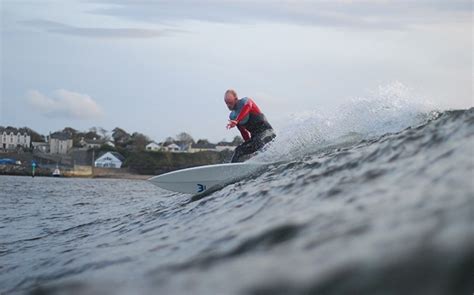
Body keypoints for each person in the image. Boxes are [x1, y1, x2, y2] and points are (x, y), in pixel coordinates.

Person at [224, 89, 276, 162]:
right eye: (226, 103)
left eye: (230, 102)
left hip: (267, 132)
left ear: (236, 99)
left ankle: (270, 160)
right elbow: (243, 132)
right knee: (238, 150)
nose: (228, 105)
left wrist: (237, 120)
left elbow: (247, 107)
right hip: (255, 137)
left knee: (258, 142)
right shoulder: (233, 116)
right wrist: (248, 144)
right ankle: (232, 169)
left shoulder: (245, 101)